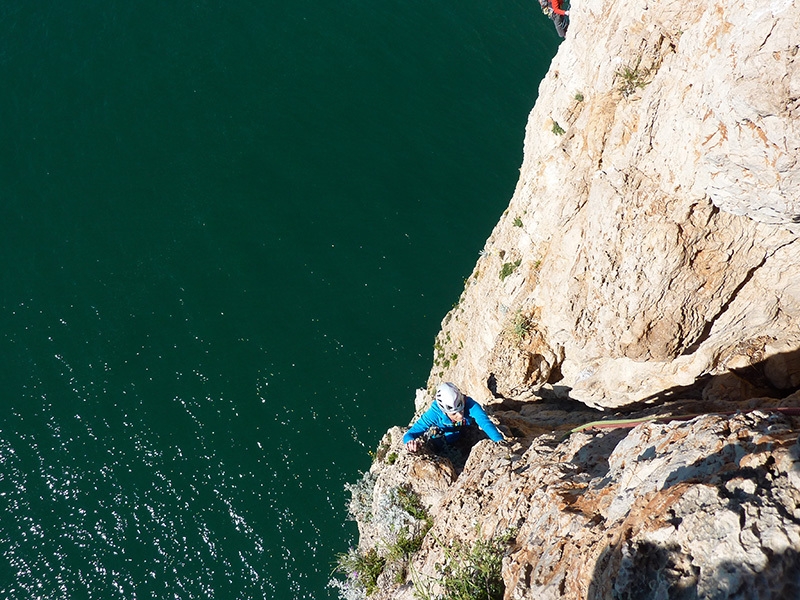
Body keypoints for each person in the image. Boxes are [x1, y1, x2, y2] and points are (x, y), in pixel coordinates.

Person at [403, 383, 504, 453]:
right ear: (444, 411)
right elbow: (410, 434)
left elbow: (484, 422)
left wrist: (499, 440)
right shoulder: (434, 413)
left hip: (464, 431)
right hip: (443, 436)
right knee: (440, 443)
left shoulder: (470, 404)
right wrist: (410, 442)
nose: (460, 415)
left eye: (461, 410)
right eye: (454, 413)